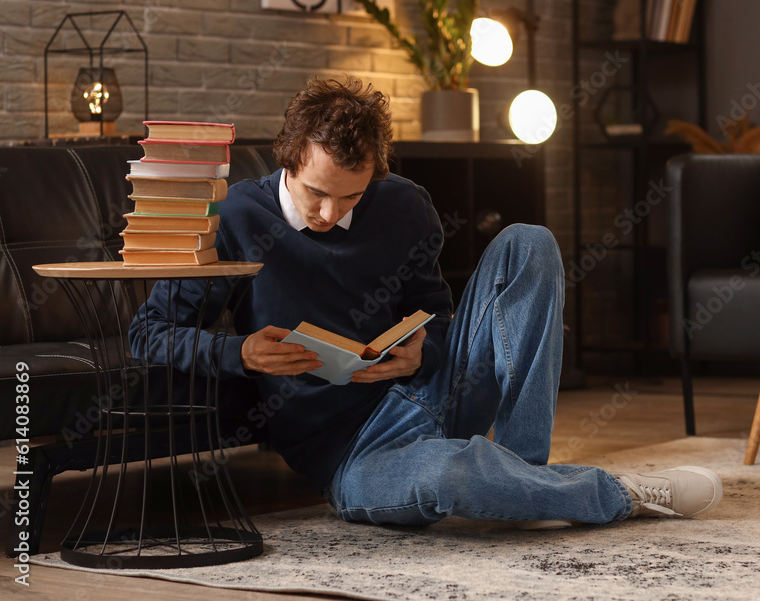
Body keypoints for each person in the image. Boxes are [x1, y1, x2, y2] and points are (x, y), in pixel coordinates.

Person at [129, 76, 723, 528]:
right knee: (450, 472)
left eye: (352, 196)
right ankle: (614, 495)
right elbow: (147, 333)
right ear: (290, 156)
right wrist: (243, 354)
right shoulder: (233, 217)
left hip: (438, 392)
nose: (333, 214)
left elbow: (434, 311)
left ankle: (525, 473)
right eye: (317, 194)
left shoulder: (403, 205)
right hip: (354, 454)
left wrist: (424, 350)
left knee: (528, 243)